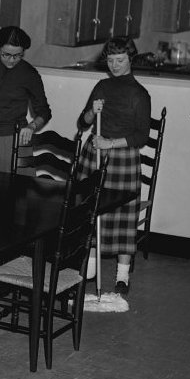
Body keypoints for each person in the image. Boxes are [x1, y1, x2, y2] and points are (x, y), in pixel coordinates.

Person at [76, 37, 151, 295]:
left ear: (131, 60)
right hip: (94, 154)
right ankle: (92, 266)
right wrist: (91, 112)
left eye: (120, 60)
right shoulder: (102, 86)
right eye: (110, 60)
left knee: (123, 215)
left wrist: (111, 143)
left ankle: (122, 275)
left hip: (122, 157)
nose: (115, 66)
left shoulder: (139, 94)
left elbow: (141, 136)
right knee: (92, 210)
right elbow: (83, 123)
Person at [0, 26, 52, 172]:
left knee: (11, 190)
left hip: (13, 139)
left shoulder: (29, 74)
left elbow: (44, 111)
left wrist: (32, 126)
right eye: (6, 55)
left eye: (18, 55)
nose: (12, 60)